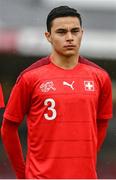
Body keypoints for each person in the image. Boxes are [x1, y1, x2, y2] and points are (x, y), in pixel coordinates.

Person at [1, 6, 112, 179]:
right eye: (61, 32)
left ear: (82, 33)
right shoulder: (30, 77)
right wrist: (22, 174)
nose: (69, 38)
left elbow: (102, 123)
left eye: (75, 31)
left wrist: (84, 158)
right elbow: (8, 128)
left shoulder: (100, 77)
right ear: (48, 36)